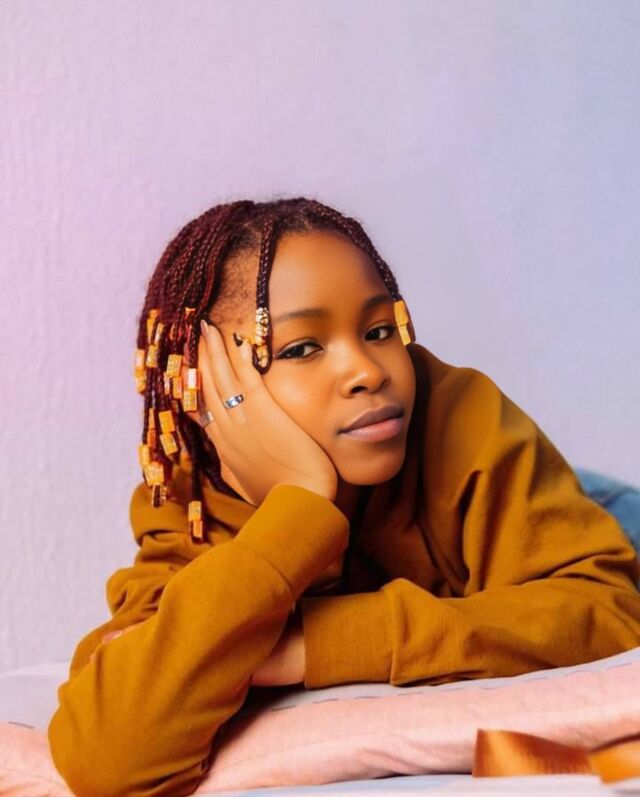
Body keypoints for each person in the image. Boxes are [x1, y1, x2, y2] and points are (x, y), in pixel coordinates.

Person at [47, 197, 640, 797]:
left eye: (379, 331)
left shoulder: (461, 413)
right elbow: (109, 755)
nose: (368, 370)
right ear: (207, 386)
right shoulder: (192, 498)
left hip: (599, 511)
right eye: (301, 348)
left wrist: (307, 647)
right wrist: (300, 504)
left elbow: (610, 613)